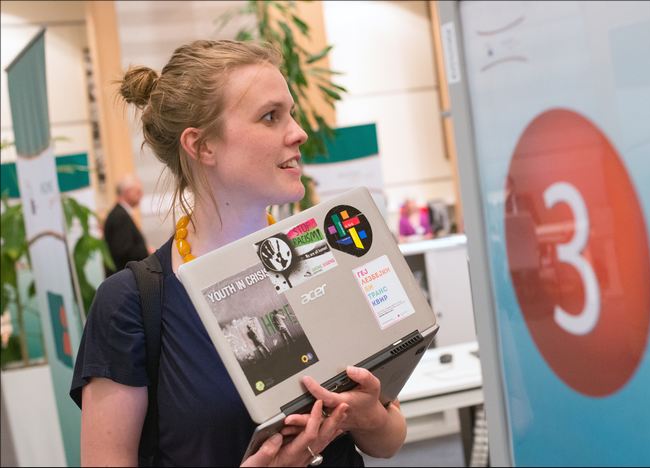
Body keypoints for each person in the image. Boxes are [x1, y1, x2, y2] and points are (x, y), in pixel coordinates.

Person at [70, 40, 407, 467]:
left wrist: (369, 415)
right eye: (271, 116)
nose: (299, 132)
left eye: (292, 112)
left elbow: (389, 440)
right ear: (203, 146)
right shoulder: (131, 304)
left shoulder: (317, 256)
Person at [103, 174, 150, 275]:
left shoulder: (119, 214)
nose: (141, 195)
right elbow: (124, 252)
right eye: (138, 192)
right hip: (123, 277)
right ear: (127, 192)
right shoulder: (120, 217)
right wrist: (146, 250)